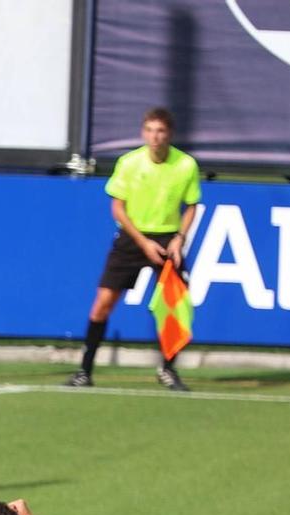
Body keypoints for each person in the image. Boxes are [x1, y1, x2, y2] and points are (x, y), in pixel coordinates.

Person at [69, 107, 201, 392]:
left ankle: (167, 370)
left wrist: (179, 238)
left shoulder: (186, 165)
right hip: (133, 238)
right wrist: (143, 242)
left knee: (173, 309)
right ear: (143, 133)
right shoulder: (129, 163)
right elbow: (117, 207)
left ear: (169, 134)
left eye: (161, 131)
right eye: (150, 131)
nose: (155, 137)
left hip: (168, 240)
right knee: (102, 304)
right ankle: (85, 371)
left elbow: (192, 206)